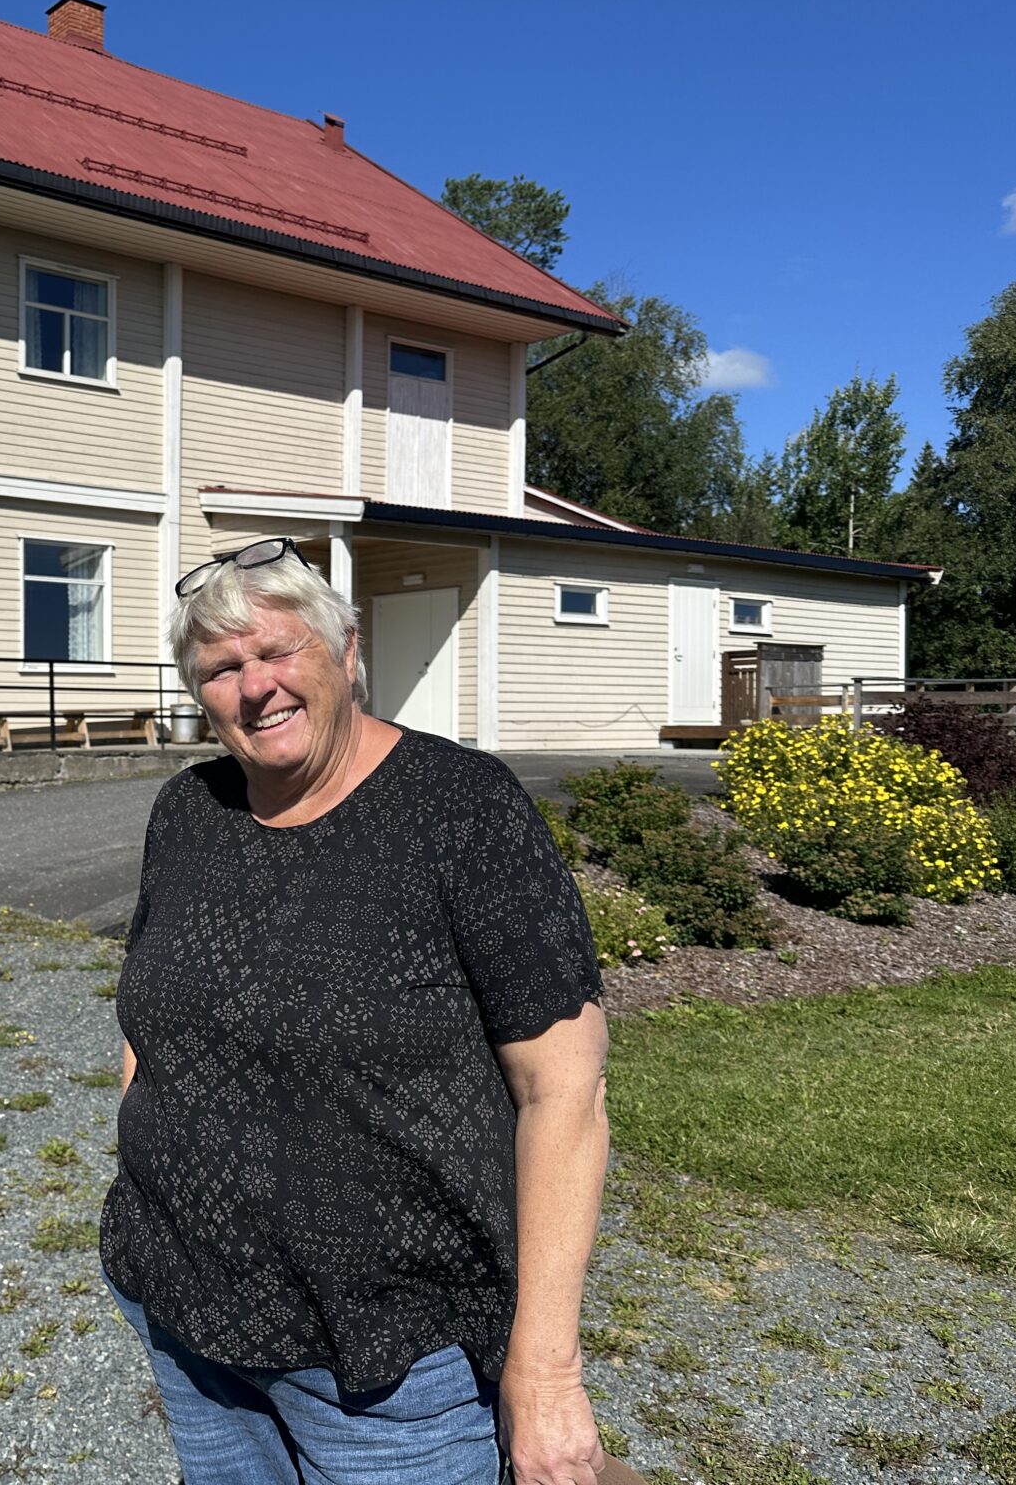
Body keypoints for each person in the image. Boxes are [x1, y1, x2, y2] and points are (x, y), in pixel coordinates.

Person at [100, 538, 612, 1485]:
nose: (255, 686)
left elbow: (565, 1094)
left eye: (278, 651)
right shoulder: (188, 810)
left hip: (384, 1359)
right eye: (221, 668)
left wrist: (544, 1375)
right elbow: (149, 1014)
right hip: (181, 1305)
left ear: (345, 650)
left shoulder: (459, 809)